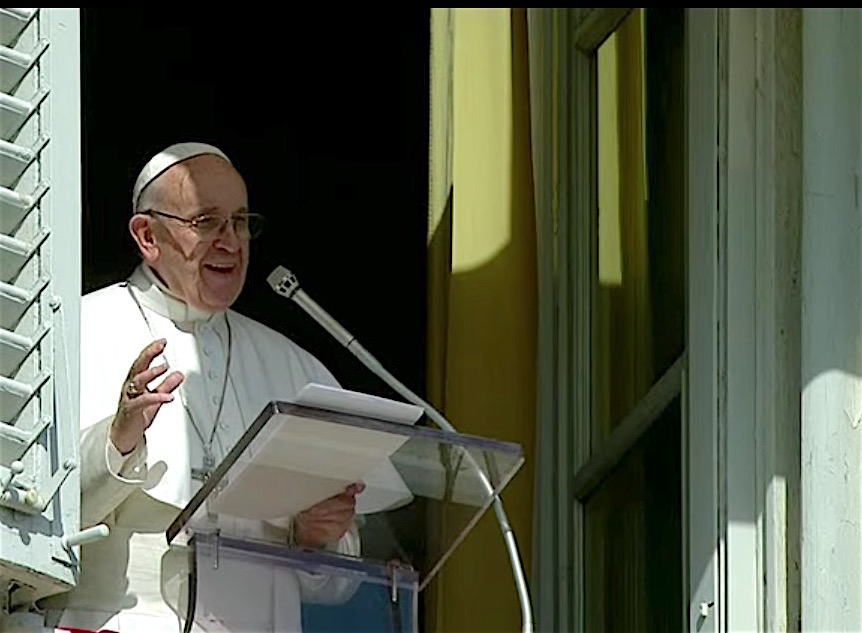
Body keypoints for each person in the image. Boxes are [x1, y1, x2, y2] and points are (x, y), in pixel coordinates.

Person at [38, 142, 363, 633]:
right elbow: (33, 522)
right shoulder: (73, 333)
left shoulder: (294, 367)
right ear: (148, 236)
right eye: (206, 222)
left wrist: (318, 538)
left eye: (240, 222)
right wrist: (119, 439)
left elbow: (340, 585)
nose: (230, 242)